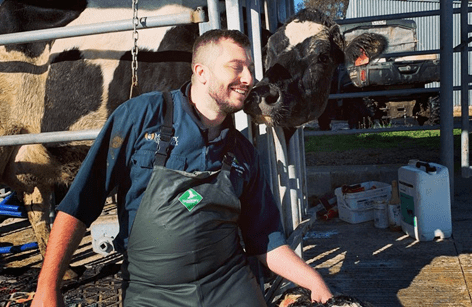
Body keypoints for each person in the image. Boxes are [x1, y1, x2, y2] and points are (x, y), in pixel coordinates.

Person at [31, 29, 332, 306]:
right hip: (152, 293)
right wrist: (47, 285)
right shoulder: (141, 117)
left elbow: (265, 240)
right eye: (236, 66)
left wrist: (314, 280)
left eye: (250, 68)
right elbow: (82, 201)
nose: (249, 78)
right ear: (201, 72)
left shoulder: (244, 153)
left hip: (228, 287)